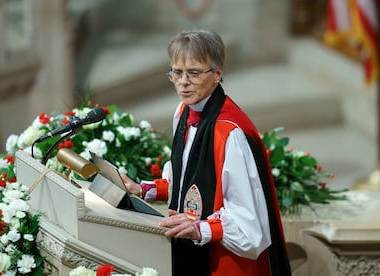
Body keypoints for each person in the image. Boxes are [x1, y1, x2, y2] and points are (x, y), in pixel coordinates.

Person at [122, 29, 291, 276]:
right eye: (177, 73)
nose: (183, 82)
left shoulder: (230, 133)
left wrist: (201, 229)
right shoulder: (183, 113)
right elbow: (188, 182)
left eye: (193, 73)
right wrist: (145, 190)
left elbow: (249, 226)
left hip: (224, 263)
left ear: (217, 74)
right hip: (189, 254)